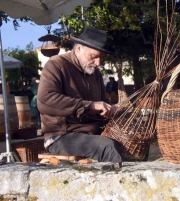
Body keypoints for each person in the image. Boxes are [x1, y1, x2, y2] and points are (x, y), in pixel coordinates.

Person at [37, 26, 123, 165]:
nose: (98, 63)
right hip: (61, 137)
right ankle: (122, 185)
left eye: (101, 58)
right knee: (106, 147)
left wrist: (110, 109)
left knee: (133, 142)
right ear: (78, 49)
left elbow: (103, 102)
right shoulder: (56, 65)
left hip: (92, 133)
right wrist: (90, 105)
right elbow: (45, 101)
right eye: (94, 56)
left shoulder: (96, 74)